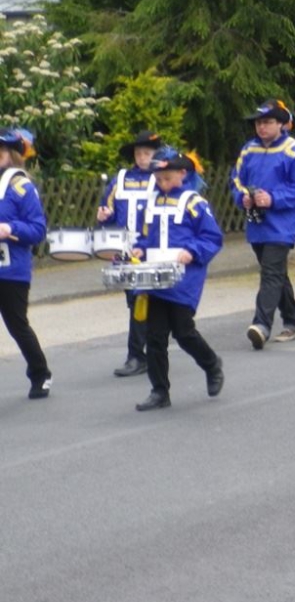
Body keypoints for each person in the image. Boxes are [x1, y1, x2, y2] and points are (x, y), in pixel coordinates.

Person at [132, 152, 225, 411]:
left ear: (182, 174)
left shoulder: (193, 202)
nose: (162, 183)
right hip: (155, 278)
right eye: (158, 178)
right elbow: (143, 236)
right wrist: (138, 249)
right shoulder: (149, 203)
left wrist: (193, 251)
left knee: (184, 333)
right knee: (155, 336)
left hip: (184, 278)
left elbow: (212, 237)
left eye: (167, 178)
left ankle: (211, 364)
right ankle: (159, 391)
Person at [231, 99, 295, 350]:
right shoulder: (248, 150)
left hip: (282, 224)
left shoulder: (294, 150)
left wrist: (273, 199)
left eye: (267, 122)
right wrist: (241, 197)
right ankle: (294, 320)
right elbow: (235, 180)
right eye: (258, 123)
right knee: (276, 273)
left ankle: (261, 325)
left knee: (271, 273)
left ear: (281, 124)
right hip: (257, 223)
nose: (261, 127)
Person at [97, 129, 162, 377]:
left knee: (140, 300)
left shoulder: (161, 178)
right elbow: (108, 209)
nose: (142, 157)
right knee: (135, 301)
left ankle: (137, 356)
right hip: (124, 250)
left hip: (150, 249)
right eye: (138, 153)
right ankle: (151, 349)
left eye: (146, 152)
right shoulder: (120, 178)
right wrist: (103, 216)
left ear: (155, 154)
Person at [0, 128, 52, 400]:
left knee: (16, 325)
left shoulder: (20, 186)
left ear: (10, 155)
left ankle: (40, 373)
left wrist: (9, 228)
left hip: (11, 270)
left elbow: (38, 230)